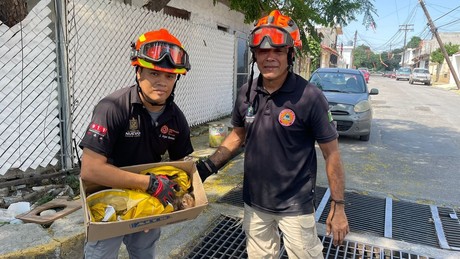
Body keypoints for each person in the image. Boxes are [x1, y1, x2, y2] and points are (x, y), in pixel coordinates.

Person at [196, 10, 349, 258]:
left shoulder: (310, 97)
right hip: (255, 204)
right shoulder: (247, 93)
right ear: (254, 55)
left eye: (278, 51)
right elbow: (237, 136)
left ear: (290, 54)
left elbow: (331, 154)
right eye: (263, 51)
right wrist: (206, 168)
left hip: (296, 207)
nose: (270, 58)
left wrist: (338, 206)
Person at [79, 28, 193, 259]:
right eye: (153, 73)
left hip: (149, 200)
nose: (162, 82)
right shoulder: (113, 108)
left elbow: (181, 167)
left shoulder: (176, 118)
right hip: (107, 201)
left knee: (144, 254)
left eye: (169, 76)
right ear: (138, 71)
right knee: (101, 255)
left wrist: (167, 207)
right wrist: (149, 185)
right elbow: (91, 170)